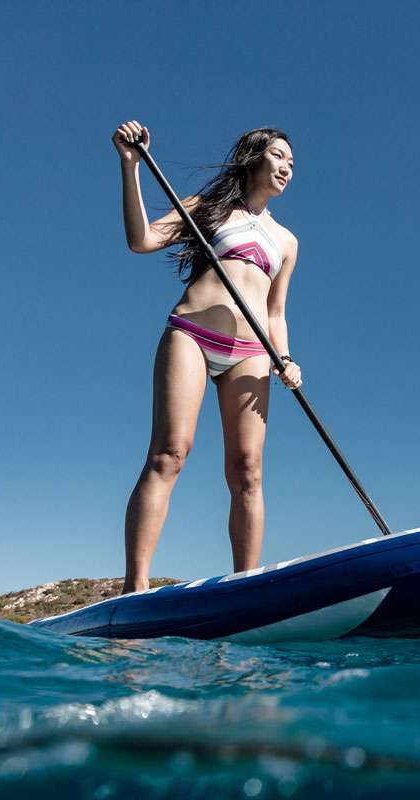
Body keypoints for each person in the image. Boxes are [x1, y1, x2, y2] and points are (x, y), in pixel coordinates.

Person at [112, 120, 302, 593]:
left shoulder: (286, 241)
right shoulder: (211, 209)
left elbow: (275, 312)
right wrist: (130, 165)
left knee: (248, 473)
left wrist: (286, 357)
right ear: (254, 156)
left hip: (252, 352)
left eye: (292, 163)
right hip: (193, 335)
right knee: (169, 453)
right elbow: (142, 241)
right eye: (279, 156)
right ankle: (135, 587)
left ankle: (245, 587)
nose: (286, 168)